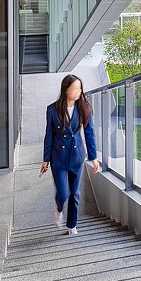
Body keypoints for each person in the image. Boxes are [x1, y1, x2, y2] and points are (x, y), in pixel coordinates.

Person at [40, 74, 100, 235]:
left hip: (77, 157)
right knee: (63, 193)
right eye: (75, 88)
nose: (79, 91)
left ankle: (71, 225)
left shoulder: (84, 108)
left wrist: (93, 157)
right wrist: (45, 159)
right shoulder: (52, 110)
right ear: (66, 90)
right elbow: (49, 136)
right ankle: (59, 207)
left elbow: (89, 134)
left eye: (80, 88)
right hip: (58, 157)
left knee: (75, 194)